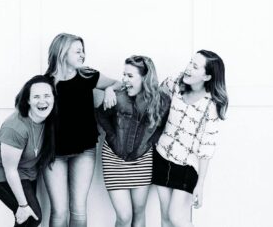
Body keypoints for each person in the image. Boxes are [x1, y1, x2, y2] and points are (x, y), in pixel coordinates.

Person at [42, 33, 121, 227]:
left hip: (84, 151)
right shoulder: (45, 83)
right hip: (53, 153)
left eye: (83, 51)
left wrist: (110, 89)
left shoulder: (88, 76)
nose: (82, 55)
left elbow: (118, 83)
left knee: (78, 210)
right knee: (59, 212)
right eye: (77, 51)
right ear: (62, 53)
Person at [152, 50, 229, 227]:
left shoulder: (211, 105)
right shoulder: (174, 85)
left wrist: (200, 185)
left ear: (207, 76)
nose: (188, 68)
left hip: (186, 166)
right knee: (165, 219)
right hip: (161, 156)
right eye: (190, 63)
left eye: (195, 67)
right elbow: (152, 100)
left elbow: (206, 147)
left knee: (177, 218)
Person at [95, 55, 171, 227]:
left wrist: (149, 143)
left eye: (130, 76)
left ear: (145, 77)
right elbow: (101, 116)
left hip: (142, 161)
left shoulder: (162, 101)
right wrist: (113, 138)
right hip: (114, 160)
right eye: (124, 75)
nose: (124, 80)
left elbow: (162, 127)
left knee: (138, 213)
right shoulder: (117, 96)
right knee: (124, 217)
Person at [0, 75, 57, 227]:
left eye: (47, 95)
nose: (42, 101)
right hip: (0, 168)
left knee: (26, 219)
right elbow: (10, 170)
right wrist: (22, 205)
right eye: (36, 96)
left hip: (25, 168)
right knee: (30, 216)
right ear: (28, 100)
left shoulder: (50, 118)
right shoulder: (15, 127)